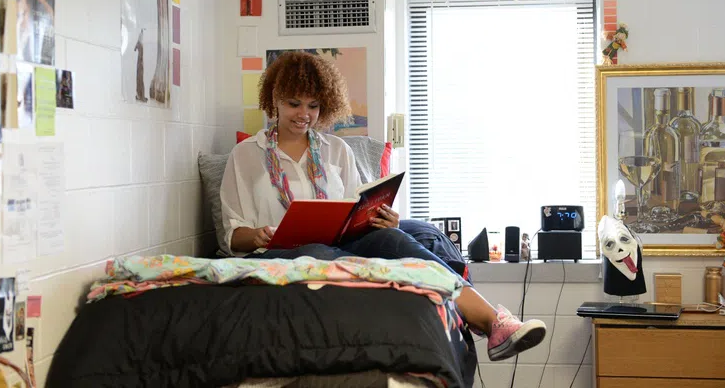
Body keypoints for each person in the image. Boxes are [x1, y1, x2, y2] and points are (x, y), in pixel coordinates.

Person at [219, 51, 547, 362]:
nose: (304, 114)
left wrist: (380, 218)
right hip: (280, 256)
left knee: (398, 240)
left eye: (314, 106)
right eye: (294, 103)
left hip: (341, 244)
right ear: (274, 98)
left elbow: (350, 211)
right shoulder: (247, 154)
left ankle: (495, 324)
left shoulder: (336, 151)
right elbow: (233, 236)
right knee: (320, 254)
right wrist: (258, 235)